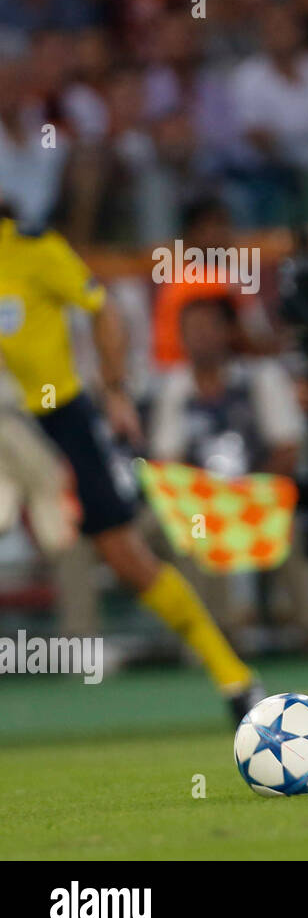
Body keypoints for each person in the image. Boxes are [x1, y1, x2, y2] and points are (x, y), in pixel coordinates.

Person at [0, 202, 262, 723]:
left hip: (55, 420)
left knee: (126, 556)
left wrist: (116, 391)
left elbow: (104, 310)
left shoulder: (31, 248)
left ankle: (231, 674)